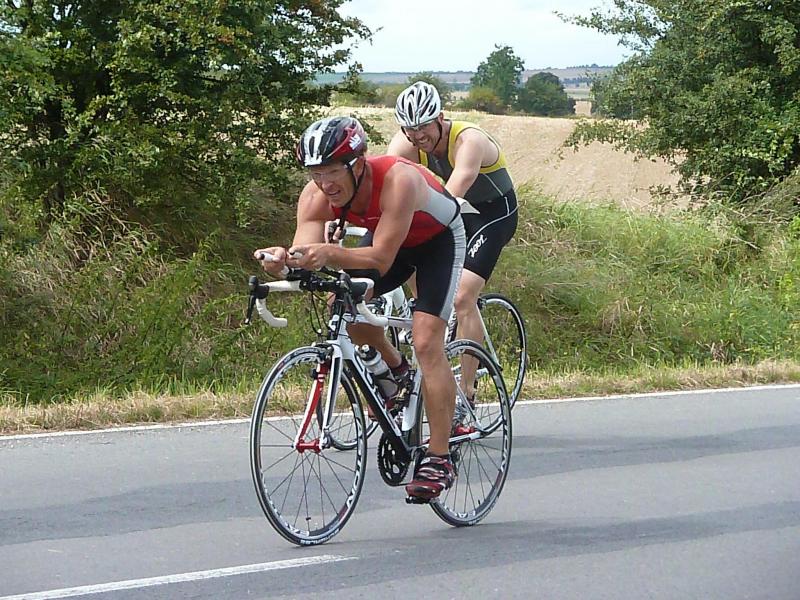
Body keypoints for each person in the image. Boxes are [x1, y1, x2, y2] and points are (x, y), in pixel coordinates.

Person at [253, 116, 466, 500]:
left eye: (333, 170)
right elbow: (305, 253)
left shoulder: (398, 180)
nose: (325, 183)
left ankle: (439, 457)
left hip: (437, 242)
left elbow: (380, 259)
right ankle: (395, 371)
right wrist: (283, 262)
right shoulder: (315, 195)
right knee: (342, 303)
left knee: (425, 342)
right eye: (317, 173)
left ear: (358, 163)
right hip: (391, 239)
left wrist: (329, 252)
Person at [387, 81, 519, 405]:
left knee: (462, 296)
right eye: (410, 129)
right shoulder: (405, 143)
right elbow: (387, 184)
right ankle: (434, 322)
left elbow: (453, 191)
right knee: (417, 265)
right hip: (458, 212)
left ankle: (467, 391)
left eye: (423, 127)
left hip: (492, 215)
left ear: (440, 118)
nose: (418, 136)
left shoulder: (468, 140)